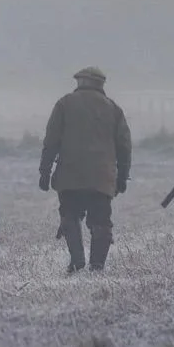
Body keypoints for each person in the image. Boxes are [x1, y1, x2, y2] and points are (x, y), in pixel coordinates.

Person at [40, 66, 132, 273]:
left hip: (69, 175)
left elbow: (51, 141)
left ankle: (77, 259)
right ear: (101, 84)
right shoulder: (114, 109)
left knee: (70, 217)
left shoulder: (64, 104)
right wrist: (122, 176)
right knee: (101, 221)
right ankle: (97, 265)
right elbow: (124, 146)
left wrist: (44, 171)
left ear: (79, 81)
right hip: (101, 178)